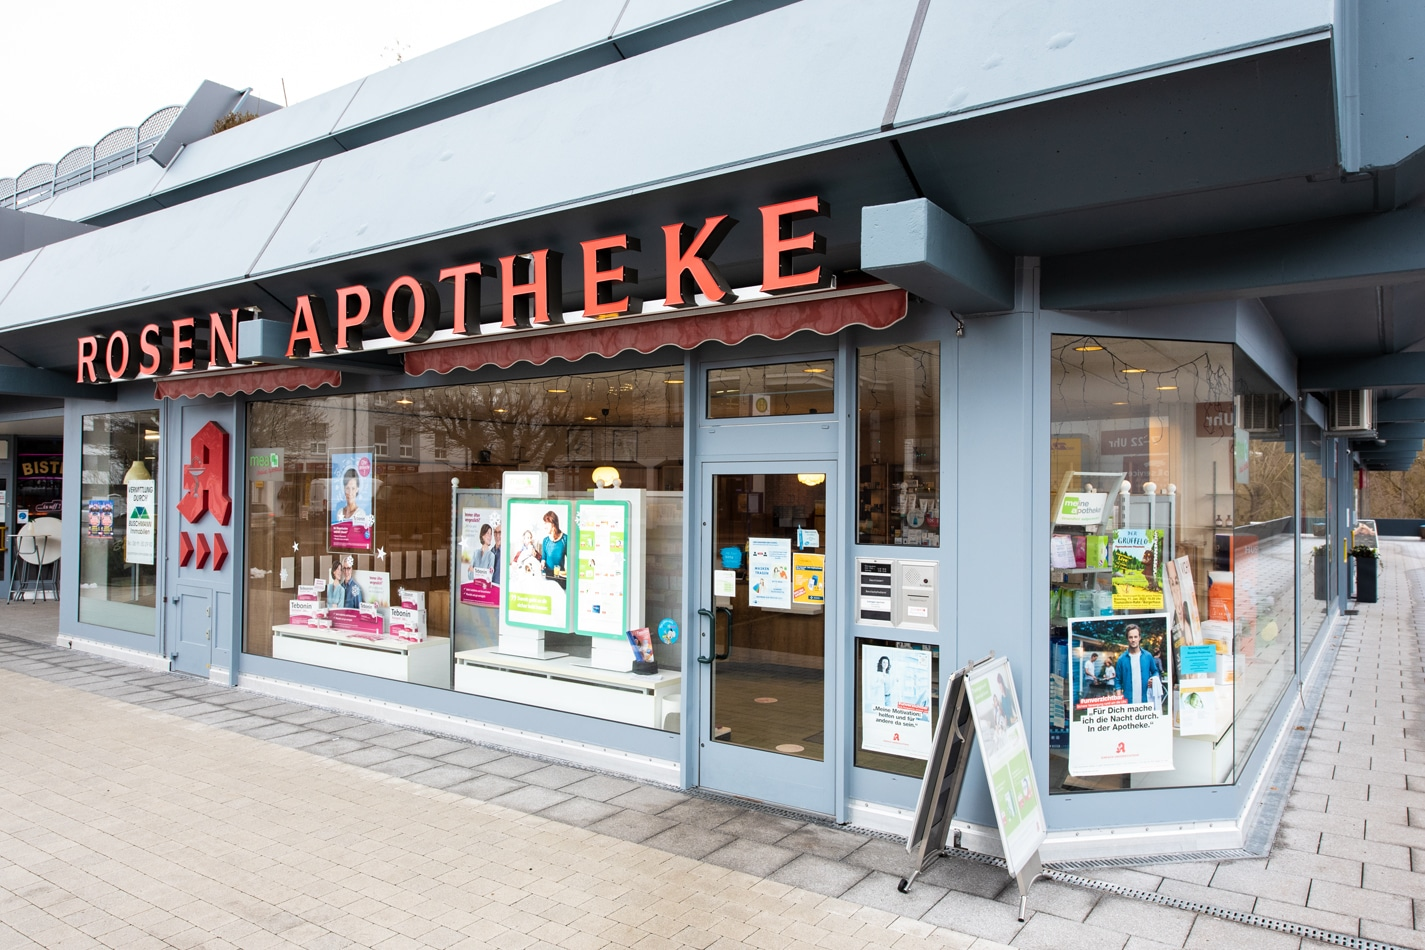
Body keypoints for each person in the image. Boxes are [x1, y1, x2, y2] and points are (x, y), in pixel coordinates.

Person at [1115, 624, 1163, 705]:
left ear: (1139, 637)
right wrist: (1119, 700)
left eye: (1135, 637)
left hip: (1145, 701)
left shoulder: (1148, 656)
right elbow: (1118, 681)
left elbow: (1155, 671)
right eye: (1130, 637)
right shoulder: (1121, 659)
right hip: (1128, 702)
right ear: (1127, 639)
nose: (1133, 640)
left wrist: (1154, 679)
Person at [538, 510, 567, 587]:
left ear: (553, 523)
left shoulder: (565, 539)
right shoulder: (545, 540)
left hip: (560, 578)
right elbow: (543, 558)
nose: (544, 526)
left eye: (546, 523)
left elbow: (571, 561)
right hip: (548, 578)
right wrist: (542, 563)